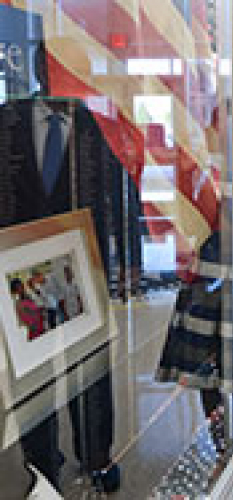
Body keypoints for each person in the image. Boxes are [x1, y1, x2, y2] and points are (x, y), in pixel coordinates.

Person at [0, 38, 143, 494]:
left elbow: (126, 196)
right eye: (49, 62)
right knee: (34, 370)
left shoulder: (97, 124)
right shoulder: (8, 120)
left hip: (87, 263)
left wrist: (129, 266)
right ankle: (41, 459)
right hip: (21, 268)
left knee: (89, 363)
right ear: (39, 67)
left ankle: (96, 455)